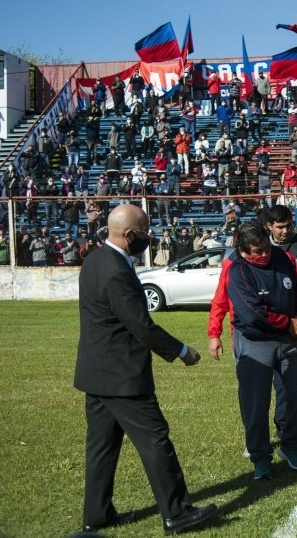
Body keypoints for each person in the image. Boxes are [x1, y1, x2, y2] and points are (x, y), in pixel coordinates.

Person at [73, 205, 217, 534]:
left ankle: (97, 514)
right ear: (129, 235)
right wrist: (182, 351)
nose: (148, 238)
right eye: (145, 232)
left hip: (95, 373)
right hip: (122, 377)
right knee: (155, 441)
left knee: (101, 448)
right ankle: (177, 513)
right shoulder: (115, 270)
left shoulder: (95, 260)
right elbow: (141, 326)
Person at [225, 221, 297, 479]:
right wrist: (288, 322)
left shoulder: (283, 258)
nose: (264, 254)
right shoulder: (238, 271)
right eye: (257, 251)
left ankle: (290, 445)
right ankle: (261, 458)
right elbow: (252, 314)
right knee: (255, 403)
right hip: (255, 341)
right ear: (242, 251)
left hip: (289, 340)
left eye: (265, 247)